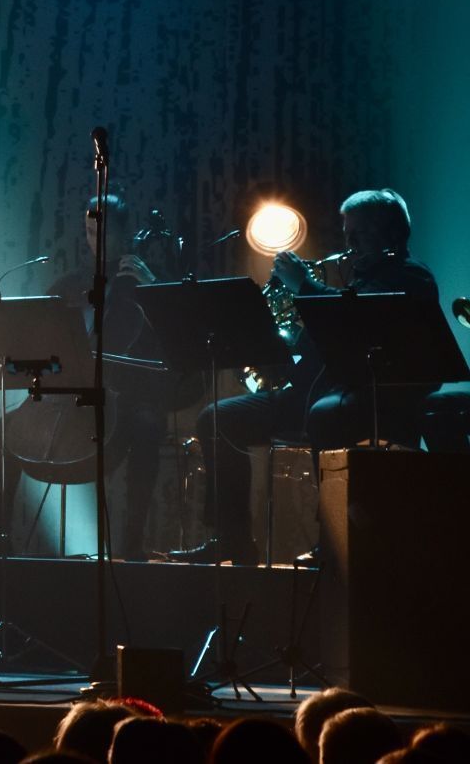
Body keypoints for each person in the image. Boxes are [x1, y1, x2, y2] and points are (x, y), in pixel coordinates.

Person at [170, 189, 440, 563]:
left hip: (377, 398)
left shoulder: (410, 276)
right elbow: (321, 344)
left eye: (358, 235)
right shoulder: (355, 283)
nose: (349, 245)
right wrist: (272, 343)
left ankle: (331, 540)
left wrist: (306, 288)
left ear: (391, 234)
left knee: (325, 415)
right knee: (216, 418)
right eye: (346, 235)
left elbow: (356, 329)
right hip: (314, 394)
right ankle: (231, 538)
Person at [39, 194, 177, 559]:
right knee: (9, 425)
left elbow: (174, 339)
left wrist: (152, 288)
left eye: (102, 232)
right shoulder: (72, 283)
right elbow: (44, 336)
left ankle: (133, 541)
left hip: (129, 393)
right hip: (79, 395)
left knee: (148, 425)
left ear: (124, 232)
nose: (94, 241)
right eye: (88, 232)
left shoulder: (143, 279)